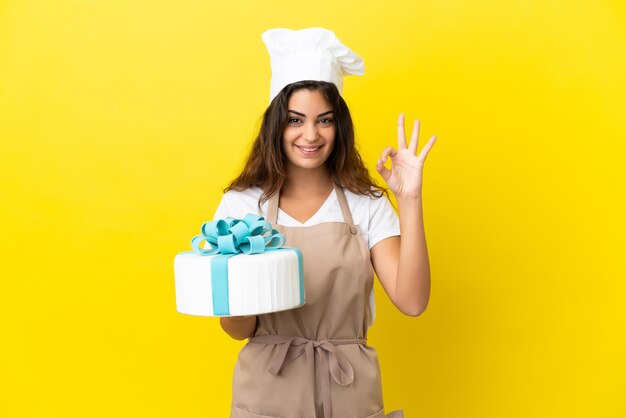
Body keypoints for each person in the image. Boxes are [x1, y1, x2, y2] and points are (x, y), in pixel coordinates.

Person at [213, 28, 436, 418]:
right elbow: (237, 329)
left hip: (350, 391)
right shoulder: (241, 207)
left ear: (339, 126)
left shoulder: (365, 204)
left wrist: (409, 198)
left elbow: (413, 301)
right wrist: (238, 275)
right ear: (275, 125)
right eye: (295, 120)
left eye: (325, 120)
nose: (311, 134)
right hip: (268, 393)